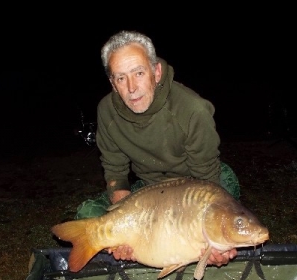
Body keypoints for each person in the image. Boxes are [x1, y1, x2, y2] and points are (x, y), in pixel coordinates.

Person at [76, 30, 240, 266]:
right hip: (149, 191)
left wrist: (215, 238)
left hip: (194, 186)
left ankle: (192, 245)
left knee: (227, 192)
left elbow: (207, 177)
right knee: (88, 215)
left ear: (157, 72)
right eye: (121, 78)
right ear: (112, 83)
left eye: (139, 73)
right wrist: (122, 226)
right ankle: (149, 245)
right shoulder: (107, 111)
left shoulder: (193, 110)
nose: (132, 88)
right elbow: (115, 172)